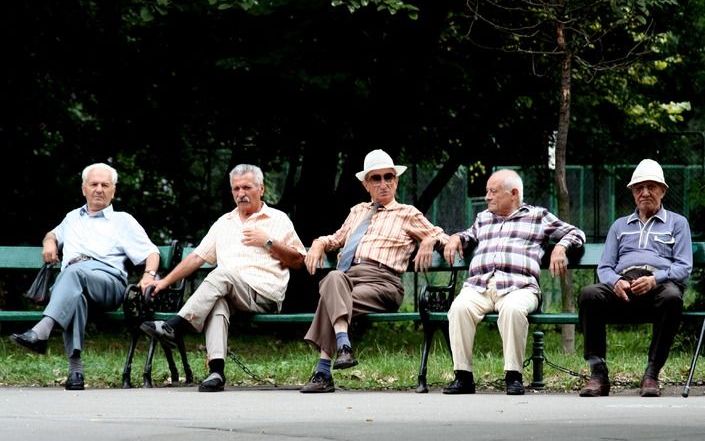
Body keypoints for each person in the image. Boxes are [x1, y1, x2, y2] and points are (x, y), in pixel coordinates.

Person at [140, 164, 306, 392]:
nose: (241, 193)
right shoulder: (224, 223)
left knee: (222, 274)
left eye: (247, 187)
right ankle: (216, 371)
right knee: (217, 301)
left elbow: (298, 260)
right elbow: (197, 257)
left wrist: (268, 241)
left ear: (261, 189)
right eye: (236, 188)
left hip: (264, 293)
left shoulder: (278, 220)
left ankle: (175, 326)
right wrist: (164, 282)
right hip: (229, 290)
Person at [300, 149, 448, 393]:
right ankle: (343, 346)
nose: (383, 184)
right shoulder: (358, 211)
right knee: (334, 278)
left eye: (388, 177)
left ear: (396, 180)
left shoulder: (407, 213)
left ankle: (323, 371)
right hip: (348, 279)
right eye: (376, 178)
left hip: (383, 283)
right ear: (365, 184)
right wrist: (318, 243)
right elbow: (335, 239)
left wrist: (430, 240)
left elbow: (442, 235)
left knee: (331, 297)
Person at [10, 163, 160, 390]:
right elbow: (53, 233)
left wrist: (149, 274)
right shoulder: (72, 218)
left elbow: (151, 252)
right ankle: (76, 372)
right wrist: (49, 241)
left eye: (105, 185)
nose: (99, 189)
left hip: (109, 283)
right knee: (75, 294)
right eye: (94, 184)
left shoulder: (123, 221)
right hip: (74, 284)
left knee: (72, 272)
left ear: (113, 191)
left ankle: (42, 330)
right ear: (84, 189)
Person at [442, 169, 585, 395]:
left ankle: (513, 376)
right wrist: (455, 238)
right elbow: (468, 235)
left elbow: (576, 233)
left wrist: (560, 247)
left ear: (514, 194)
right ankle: (463, 376)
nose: (487, 196)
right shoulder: (483, 218)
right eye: (487, 191)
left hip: (519, 287)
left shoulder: (538, 217)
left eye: (493, 191)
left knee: (512, 310)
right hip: (481, 285)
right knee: (459, 308)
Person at [578, 159, 692, 398]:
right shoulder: (620, 226)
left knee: (673, 297)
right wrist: (616, 282)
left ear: (663, 190)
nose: (645, 192)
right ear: (632, 192)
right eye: (639, 188)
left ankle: (652, 374)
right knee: (590, 294)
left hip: (659, 288)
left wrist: (655, 279)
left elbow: (683, 267)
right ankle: (598, 373)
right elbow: (605, 267)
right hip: (625, 287)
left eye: (651, 187)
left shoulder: (678, 223)